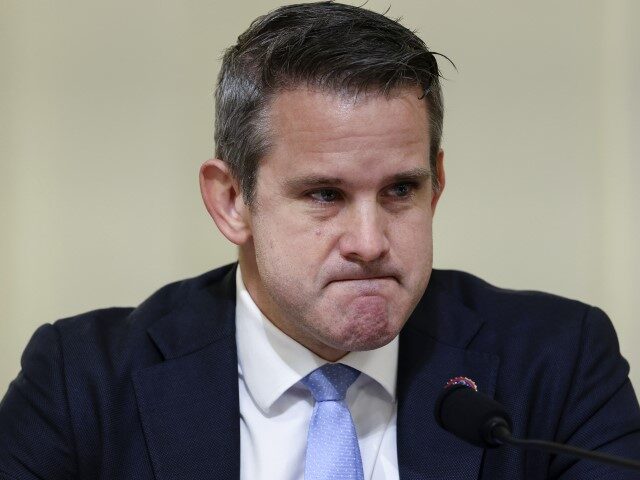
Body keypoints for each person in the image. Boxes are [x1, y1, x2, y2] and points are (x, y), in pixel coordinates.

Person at [1, 2, 640, 479]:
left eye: (400, 191)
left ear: (437, 184)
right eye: (325, 195)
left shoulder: (558, 362)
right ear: (231, 201)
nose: (369, 242)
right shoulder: (82, 379)